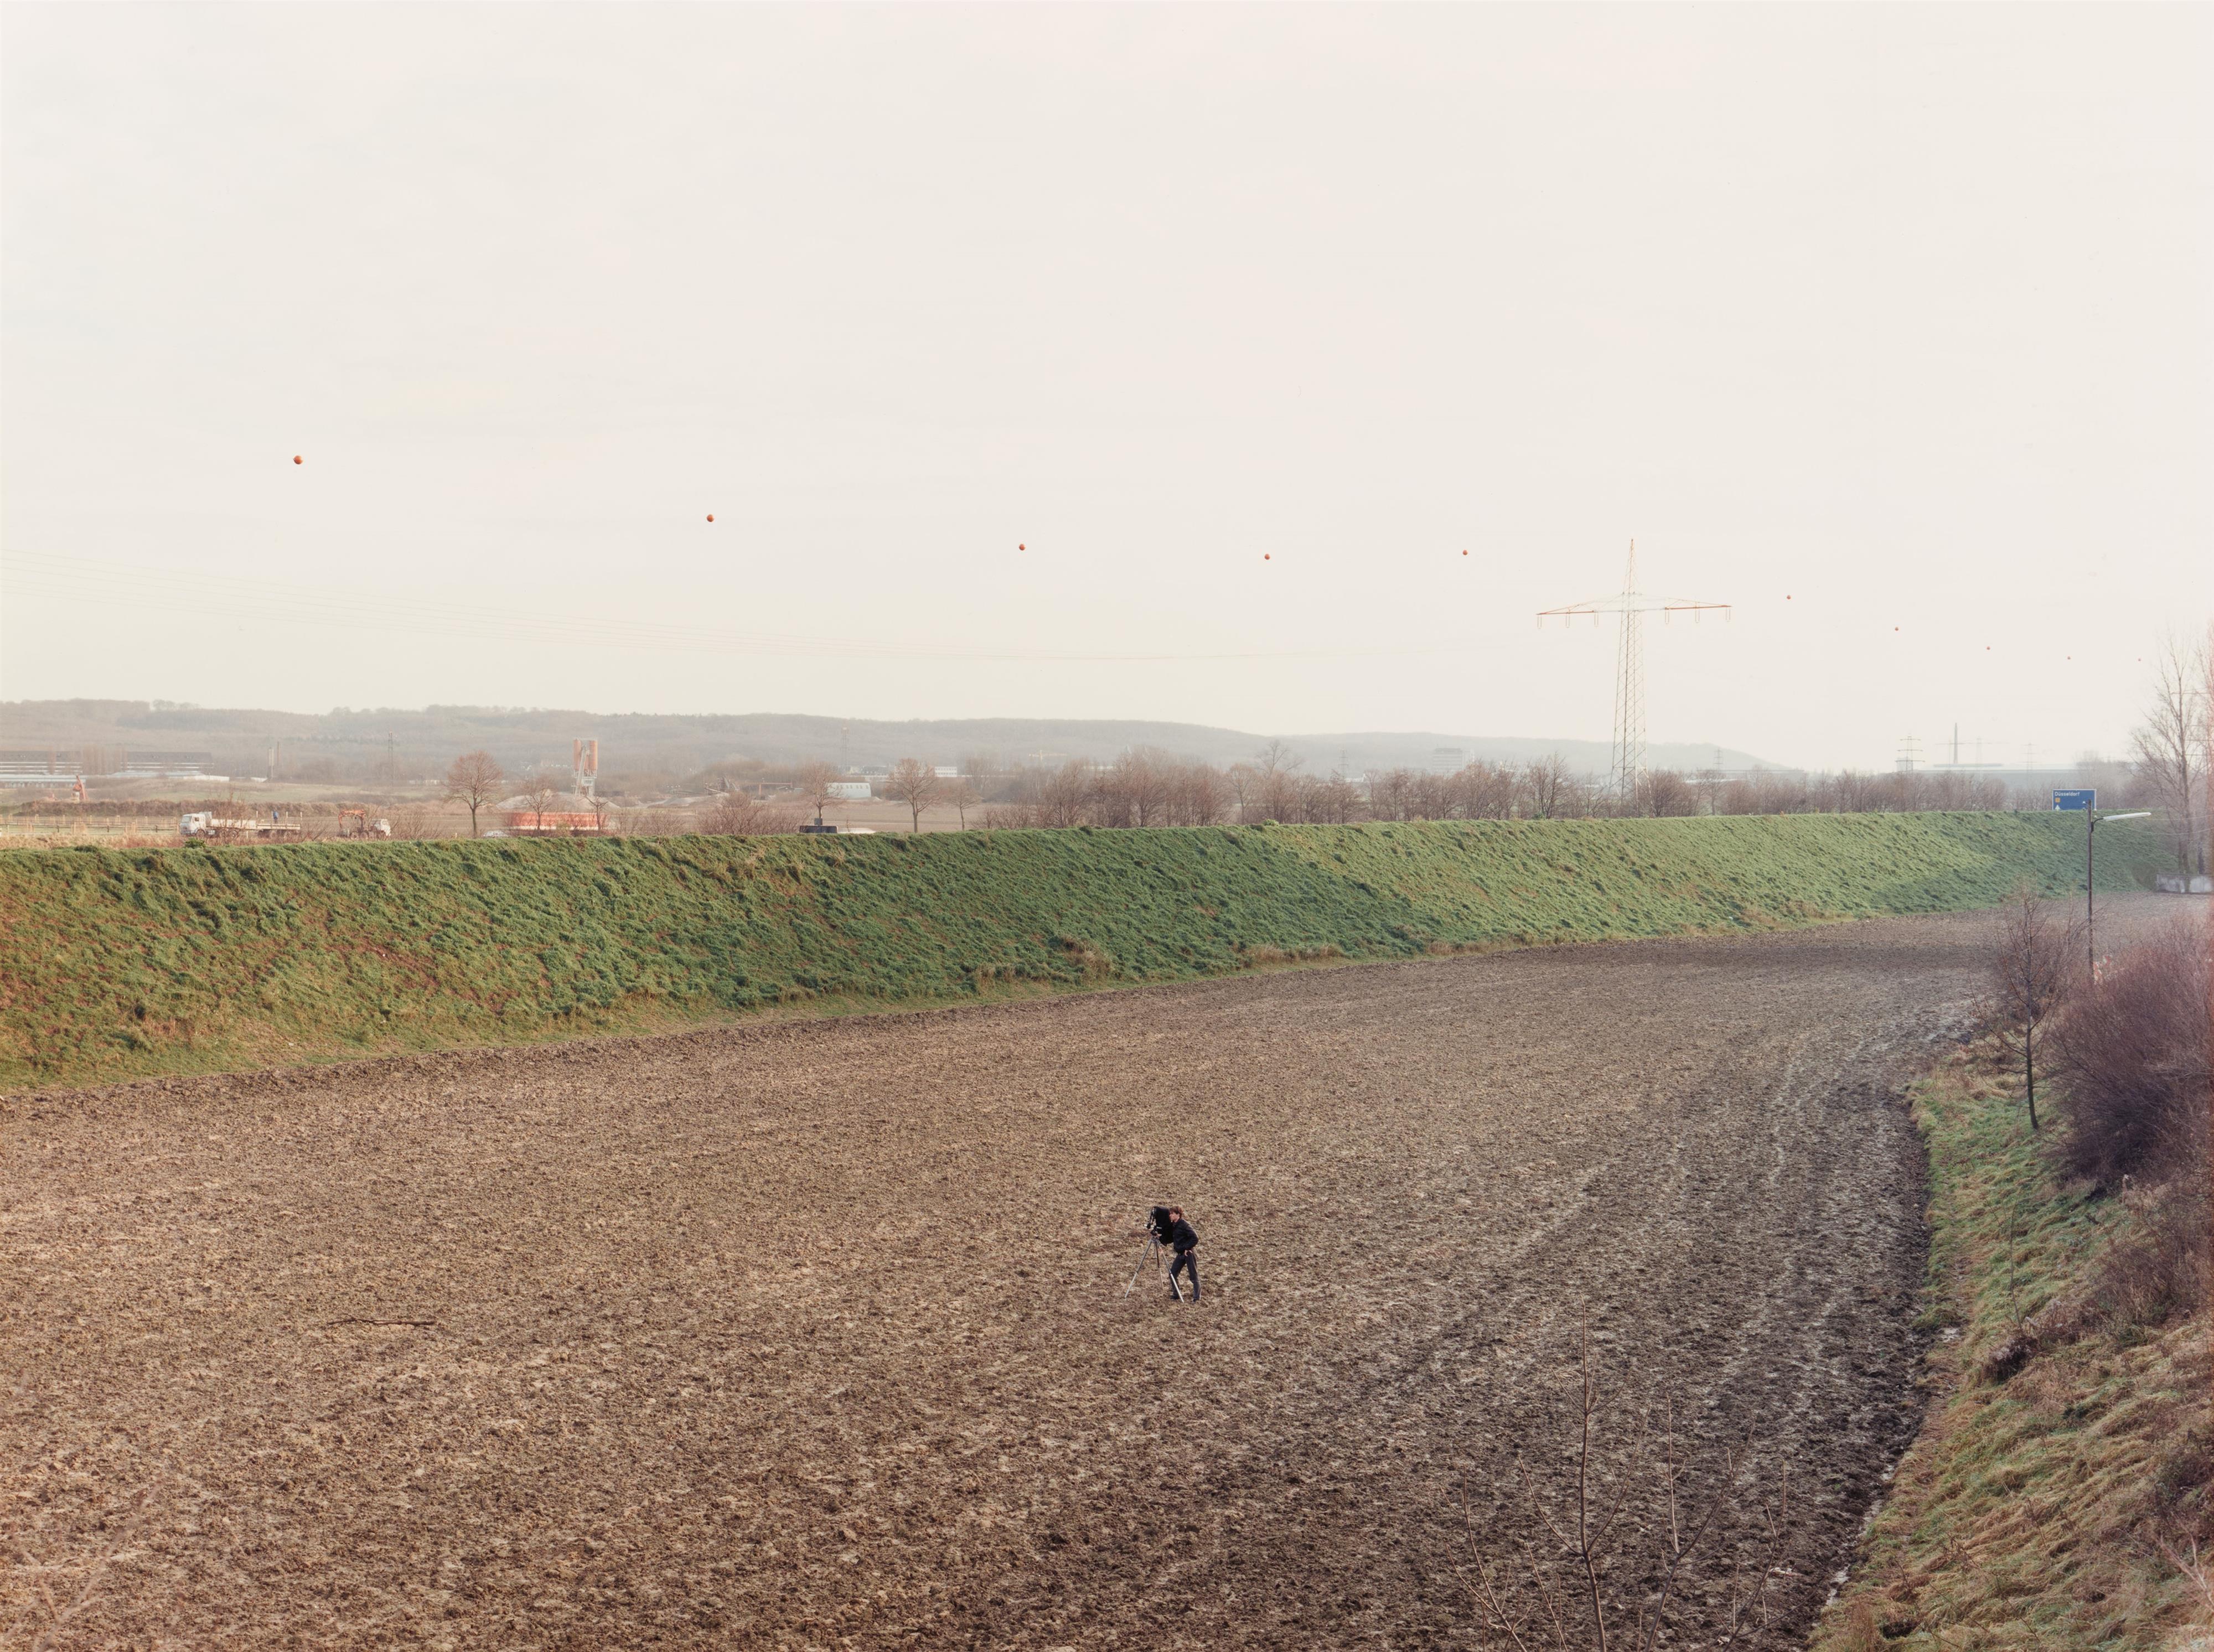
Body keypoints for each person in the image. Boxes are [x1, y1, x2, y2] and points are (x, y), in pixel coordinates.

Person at [1164, 1205, 1199, 1302]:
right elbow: (1171, 1239)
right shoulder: (1173, 1226)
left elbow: (1195, 1238)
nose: (1170, 1215)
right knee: (1173, 1273)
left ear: (1178, 1215)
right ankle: (1177, 1294)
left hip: (1189, 1253)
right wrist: (1160, 1236)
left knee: (1193, 1275)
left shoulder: (1185, 1225)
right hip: (1180, 1254)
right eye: (1170, 1213)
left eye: (1172, 1214)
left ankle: (1197, 1298)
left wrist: (1187, 1248)